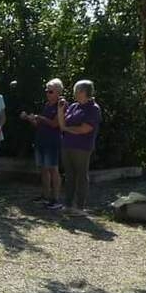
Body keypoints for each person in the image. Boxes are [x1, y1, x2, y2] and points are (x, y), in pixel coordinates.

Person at [57, 80, 102, 216]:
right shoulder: (74, 106)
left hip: (82, 147)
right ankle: (68, 205)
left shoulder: (93, 108)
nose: (74, 93)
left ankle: (80, 207)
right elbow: (62, 124)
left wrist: (67, 129)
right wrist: (60, 110)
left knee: (81, 176)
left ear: (84, 92)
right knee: (69, 175)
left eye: (77, 90)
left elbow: (85, 129)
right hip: (67, 145)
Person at [20, 79, 63, 207]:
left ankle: (55, 199)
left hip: (52, 142)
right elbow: (39, 125)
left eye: (50, 91)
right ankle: (45, 196)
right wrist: (29, 118)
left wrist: (40, 117)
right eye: (46, 91)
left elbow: (55, 124)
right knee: (43, 169)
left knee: (53, 169)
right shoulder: (47, 105)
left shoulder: (61, 105)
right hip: (41, 140)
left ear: (58, 92)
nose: (47, 93)